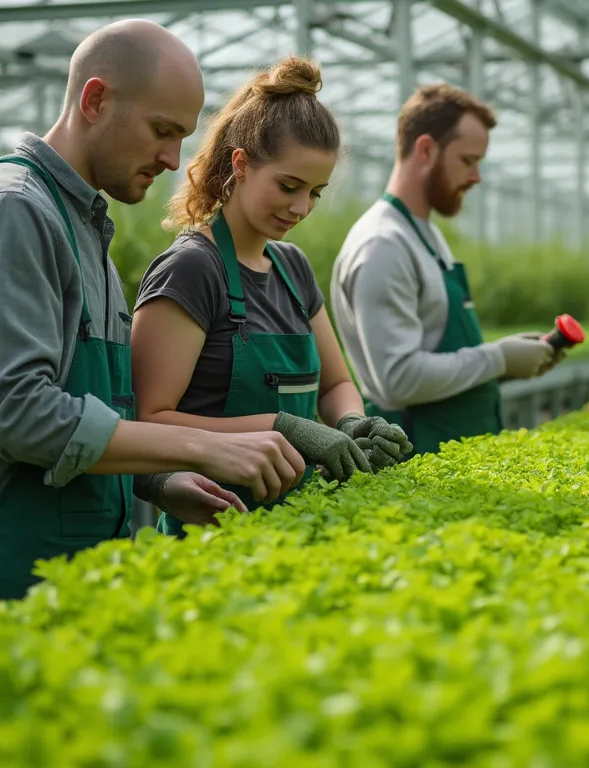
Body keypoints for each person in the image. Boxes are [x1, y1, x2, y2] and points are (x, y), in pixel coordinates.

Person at [0, 20, 305, 612]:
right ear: (95, 100)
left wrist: (158, 481)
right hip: (0, 566)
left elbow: (97, 410)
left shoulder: (83, 226)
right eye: (162, 131)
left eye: (182, 137)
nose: (173, 159)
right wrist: (200, 447)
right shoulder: (9, 210)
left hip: (84, 563)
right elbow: (18, 414)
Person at [129, 56, 413, 535]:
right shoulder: (192, 269)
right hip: (214, 527)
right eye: (288, 186)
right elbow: (147, 422)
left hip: (302, 524)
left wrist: (351, 423)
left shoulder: (292, 267)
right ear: (240, 164)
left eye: (315, 192)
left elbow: (336, 385)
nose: (301, 207)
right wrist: (280, 426)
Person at [329, 83, 563, 457]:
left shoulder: (424, 233)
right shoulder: (382, 245)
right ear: (426, 150)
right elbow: (398, 379)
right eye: (468, 161)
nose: (476, 177)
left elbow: (438, 350)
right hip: (416, 455)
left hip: (453, 451)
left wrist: (507, 362)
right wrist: (498, 358)